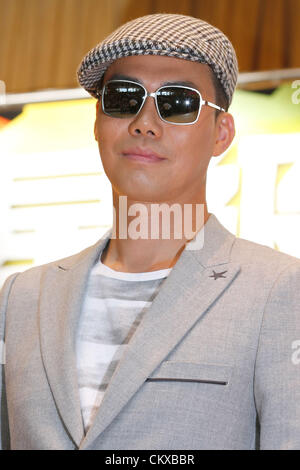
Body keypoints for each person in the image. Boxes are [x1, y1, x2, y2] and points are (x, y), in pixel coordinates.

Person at [1, 13, 300, 451]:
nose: (144, 122)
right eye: (123, 98)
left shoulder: (278, 291)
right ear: (97, 122)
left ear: (222, 133)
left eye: (177, 102)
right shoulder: (21, 297)